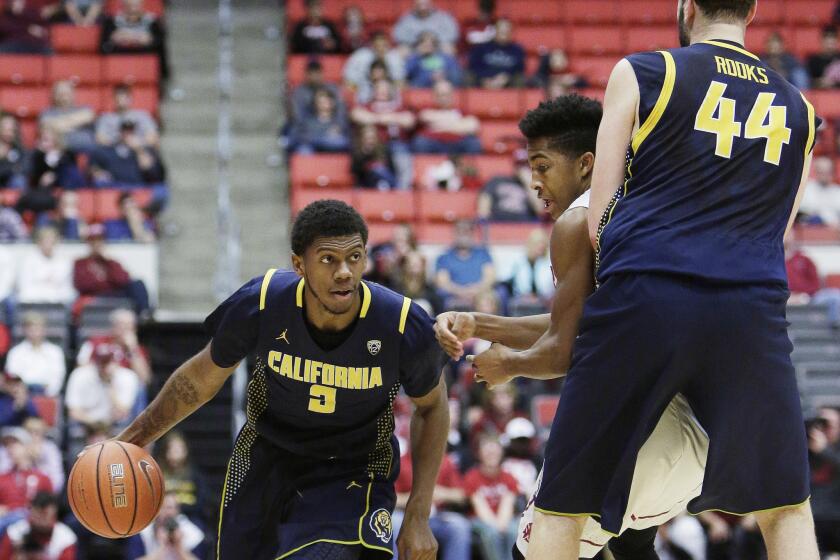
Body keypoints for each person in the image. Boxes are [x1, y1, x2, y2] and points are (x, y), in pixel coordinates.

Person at [521, 0, 821, 556]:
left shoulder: (643, 71)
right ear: (752, 9)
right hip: (749, 308)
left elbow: (599, 215)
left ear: (687, 6)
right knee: (785, 508)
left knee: (563, 501)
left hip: (648, 292)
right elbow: (777, 232)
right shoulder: (800, 107)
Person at [434, 94, 710, 559]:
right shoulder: (643, 205)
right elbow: (583, 323)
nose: (534, 182)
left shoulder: (578, 219)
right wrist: (480, 323)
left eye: (542, 167)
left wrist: (510, 367)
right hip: (697, 430)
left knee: (536, 551)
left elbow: (561, 351)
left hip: (643, 427)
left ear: (586, 164)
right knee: (631, 542)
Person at [113, 200, 450, 559]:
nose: (345, 272)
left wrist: (417, 513)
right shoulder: (262, 303)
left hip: (353, 470)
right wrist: (129, 441)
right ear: (298, 265)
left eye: (355, 257)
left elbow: (433, 407)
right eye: (328, 259)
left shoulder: (400, 323)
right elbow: (197, 381)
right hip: (266, 460)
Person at [73, 223, 151, 313]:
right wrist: (108, 283)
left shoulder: (111, 262)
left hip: (114, 295)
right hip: (96, 296)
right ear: (89, 243)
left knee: (137, 284)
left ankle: (145, 315)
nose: (97, 244)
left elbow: (123, 279)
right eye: (93, 241)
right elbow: (83, 285)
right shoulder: (81, 263)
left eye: (100, 240)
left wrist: (108, 262)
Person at [65, 341, 140, 435]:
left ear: (116, 362)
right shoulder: (80, 375)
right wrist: (94, 423)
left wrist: (111, 386)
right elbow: (73, 411)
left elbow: (123, 411)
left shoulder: (127, 377)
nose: (105, 367)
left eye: (109, 362)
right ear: (95, 363)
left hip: (114, 423)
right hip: (87, 423)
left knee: (124, 425)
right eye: (102, 363)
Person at [464, 436, 519, 560]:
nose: (491, 455)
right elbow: (480, 507)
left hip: (505, 519)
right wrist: (496, 525)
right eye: (487, 452)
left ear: (501, 453)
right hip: (479, 519)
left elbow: (508, 504)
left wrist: (502, 524)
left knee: (513, 530)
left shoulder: (508, 477)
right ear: (480, 454)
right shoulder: (472, 476)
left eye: (495, 452)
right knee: (491, 533)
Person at [100, 0, 168, 83]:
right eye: (129, 6)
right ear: (123, 7)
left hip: (145, 62)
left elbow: (159, 44)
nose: (133, 10)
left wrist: (149, 41)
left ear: (141, 7)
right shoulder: (111, 22)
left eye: (135, 6)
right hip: (119, 62)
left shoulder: (152, 22)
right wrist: (114, 40)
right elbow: (104, 46)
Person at [0, 428, 52, 536]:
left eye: (15, 443)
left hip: (32, 527)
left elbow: (49, 509)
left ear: (27, 446)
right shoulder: (2, 477)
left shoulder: (42, 477)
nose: (10, 448)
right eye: (7, 445)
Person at [434, 219, 495, 309]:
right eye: (459, 231)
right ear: (454, 233)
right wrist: (461, 292)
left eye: (466, 231)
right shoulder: (444, 258)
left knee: (488, 299)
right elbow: (442, 282)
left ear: (472, 233)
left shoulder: (483, 254)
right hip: (453, 296)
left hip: (480, 295)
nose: (463, 235)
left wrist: (475, 290)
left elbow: (490, 278)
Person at [0, 491, 77, 560]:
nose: (40, 520)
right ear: (30, 512)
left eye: (44, 515)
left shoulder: (66, 538)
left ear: (54, 514)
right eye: (37, 515)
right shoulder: (15, 532)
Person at [4, 312, 66, 397]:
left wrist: (47, 394)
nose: (35, 333)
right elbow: (13, 377)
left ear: (44, 330)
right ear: (24, 330)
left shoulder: (55, 352)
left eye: (38, 328)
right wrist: (23, 392)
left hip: (47, 396)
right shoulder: (15, 352)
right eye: (31, 329)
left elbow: (57, 379)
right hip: (21, 396)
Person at [411, 80, 482, 155]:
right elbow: (424, 117)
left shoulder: (461, 110)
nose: (444, 98)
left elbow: (473, 125)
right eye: (440, 95)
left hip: (457, 143)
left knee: (473, 143)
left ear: (452, 95)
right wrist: (456, 122)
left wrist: (438, 125)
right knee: (420, 142)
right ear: (434, 96)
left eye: (447, 95)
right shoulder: (426, 107)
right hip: (433, 143)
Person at [127, 492, 205, 560]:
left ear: (177, 510)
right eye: (162, 507)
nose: (167, 512)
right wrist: (162, 547)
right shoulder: (143, 532)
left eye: (170, 508)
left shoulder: (191, 531)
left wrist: (179, 546)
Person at [154, 432, 209, 525]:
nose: (176, 452)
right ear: (166, 451)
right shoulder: (157, 473)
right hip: (161, 518)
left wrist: (179, 508)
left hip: (188, 517)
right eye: (172, 448)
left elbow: (201, 501)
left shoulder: (194, 474)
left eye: (179, 448)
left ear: (185, 451)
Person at [90, 121, 166, 186]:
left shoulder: (146, 150)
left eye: (131, 131)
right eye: (125, 130)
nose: (128, 134)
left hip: (138, 188)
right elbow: (93, 167)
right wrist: (98, 172)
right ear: (120, 132)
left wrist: (139, 150)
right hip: (114, 187)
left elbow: (153, 173)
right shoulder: (107, 150)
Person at [16, 225, 75, 305]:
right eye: (45, 240)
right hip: (33, 300)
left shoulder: (64, 261)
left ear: (56, 242)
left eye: (51, 240)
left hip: (58, 301)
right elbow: (24, 287)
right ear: (39, 242)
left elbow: (67, 288)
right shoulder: (28, 260)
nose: (48, 243)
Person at [477, 148, 542, 222]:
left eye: (526, 165)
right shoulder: (498, 180)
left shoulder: (534, 186)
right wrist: (484, 217)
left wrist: (528, 182)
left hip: (523, 224)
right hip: (498, 221)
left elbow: (539, 209)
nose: (522, 168)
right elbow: (485, 198)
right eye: (519, 164)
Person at [288, 88, 351, 154]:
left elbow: (345, 141)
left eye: (327, 99)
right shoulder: (308, 122)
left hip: (334, 148)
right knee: (303, 149)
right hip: (312, 148)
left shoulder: (339, 121)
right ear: (315, 103)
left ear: (333, 102)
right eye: (321, 101)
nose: (324, 102)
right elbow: (301, 138)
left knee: (338, 141)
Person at [38, 81, 96, 153]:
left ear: (73, 94)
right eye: (60, 93)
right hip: (59, 154)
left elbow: (88, 116)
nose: (64, 95)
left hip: (87, 151)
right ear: (54, 95)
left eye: (66, 92)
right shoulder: (47, 113)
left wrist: (58, 126)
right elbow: (46, 127)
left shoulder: (85, 109)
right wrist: (76, 122)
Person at [467, 18, 525, 89]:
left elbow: (519, 69)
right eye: (501, 31)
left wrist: (505, 78)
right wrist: (485, 79)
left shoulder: (517, 50)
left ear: (511, 33)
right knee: (468, 76)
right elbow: (474, 66)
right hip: (483, 80)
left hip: (508, 82)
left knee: (520, 79)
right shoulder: (481, 48)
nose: (504, 34)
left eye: (507, 31)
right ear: (495, 31)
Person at [343, 31, 406, 95]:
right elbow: (349, 81)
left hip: (387, 92)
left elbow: (400, 83)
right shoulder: (360, 56)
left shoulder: (394, 58)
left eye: (383, 45)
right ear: (372, 45)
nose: (380, 49)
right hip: (363, 89)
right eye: (377, 45)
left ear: (388, 45)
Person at [96, 85, 160, 147]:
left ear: (131, 98)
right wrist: (119, 142)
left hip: (138, 150)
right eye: (118, 97)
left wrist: (137, 144)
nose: (121, 100)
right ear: (113, 99)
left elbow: (152, 138)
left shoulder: (143, 116)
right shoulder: (106, 118)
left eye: (124, 97)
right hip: (114, 152)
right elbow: (100, 139)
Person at [393, 0, 459, 55]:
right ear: (414, 6)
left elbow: (453, 34)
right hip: (415, 47)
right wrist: (419, 43)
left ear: (431, 5)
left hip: (438, 46)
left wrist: (432, 43)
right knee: (401, 51)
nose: (422, 8)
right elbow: (398, 35)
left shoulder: (443, 17)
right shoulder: (406, 19)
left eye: (425, 4)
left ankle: (449, 70)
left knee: (448, 49)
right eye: (419, 5)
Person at [799, 155, 840, 226]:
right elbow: (801, 213)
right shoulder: (806, 189)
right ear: (816, 171)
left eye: (828, 172)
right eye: (821, 172)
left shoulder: (837, 192)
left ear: (833, 173)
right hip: (808, 230)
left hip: (832, 232)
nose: (825, 175)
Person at [0, 113, 27, 189]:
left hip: (10, 183)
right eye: (6, 130)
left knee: (19, 179)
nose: (9, 133)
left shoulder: (18, 148)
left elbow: (23, 167)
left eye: (12, 130)